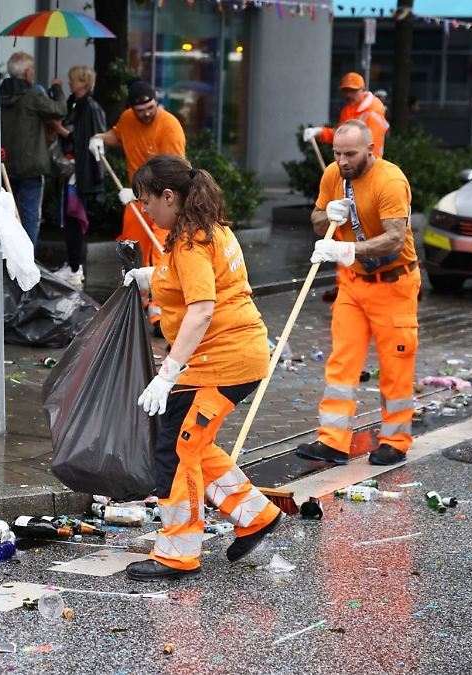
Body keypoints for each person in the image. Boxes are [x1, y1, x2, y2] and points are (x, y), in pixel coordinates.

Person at [120, 154, 283, 581]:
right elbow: (188, 280)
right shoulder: (208, 229)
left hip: (221, 360)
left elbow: (201, 308)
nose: (144, 210)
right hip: (232, 356)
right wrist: (149, 277)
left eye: (147, 201)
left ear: (168, 196)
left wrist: (167, 373)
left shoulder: (191, 243)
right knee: (193, 443)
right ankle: (255, 515)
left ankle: (178, 552)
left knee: (177, 451)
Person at [294, 119, 418, 467]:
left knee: (395, 365)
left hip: (394, 285)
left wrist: (346, 250)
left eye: (350, 154)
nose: (342, 161)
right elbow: (317, 219)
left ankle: (395, 441)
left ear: (370, 150)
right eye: (337, 153)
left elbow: (395, 238)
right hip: (352, 283)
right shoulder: (333, 175)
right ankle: (333, 441)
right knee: (342, 362)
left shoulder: (390, 181)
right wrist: (327, 216)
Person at [89, 79, 186, 270]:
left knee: (161, 249)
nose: (147, 113)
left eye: (150, 107)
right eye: (140, 110)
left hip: (165, 199)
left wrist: (137, 194)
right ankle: (135, 285)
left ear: (156, 102)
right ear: (132, 109)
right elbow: (117, 136)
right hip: (137, 198)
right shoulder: (127, 119)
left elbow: (175, 174)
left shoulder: (169, 127)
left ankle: (160, 288)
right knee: (131, 246)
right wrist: (99, 138)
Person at [0, 51, 67, 248]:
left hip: (6, 165)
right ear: (28, 72)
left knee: (8, 215)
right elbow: (59, 110)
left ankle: (9, 257)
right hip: (31, 165)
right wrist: (57, 89)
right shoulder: (32, 96)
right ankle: (27, 260)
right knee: (30, 215)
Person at [51, 64, 107, 290]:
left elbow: (84, 139)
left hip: (79, 172)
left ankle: (75, 267)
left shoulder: (89, 107)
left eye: (73, 79)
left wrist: (61, 131)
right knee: (70, 217)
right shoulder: (78, 104)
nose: (70, 82)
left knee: (73, 216)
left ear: (83, 82)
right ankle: (73, 264)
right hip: (75, 171)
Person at [303, 72, 389, 158]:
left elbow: (367, 145)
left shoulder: (373, 111)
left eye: (353, 91)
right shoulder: (348, 109)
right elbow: (341, 135)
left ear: (363, 90)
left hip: (368, 161)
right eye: (345, 91)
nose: (348, 95)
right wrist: (320, 132)